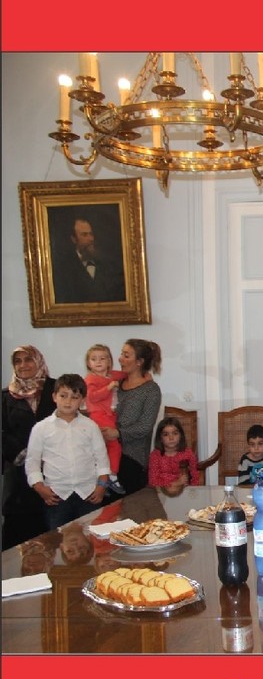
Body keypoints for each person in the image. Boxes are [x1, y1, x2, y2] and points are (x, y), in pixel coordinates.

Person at [24, 373, 110, 530]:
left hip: (88, 494)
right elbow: (32, 462)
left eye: (74, 397)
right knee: (58, 538)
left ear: (82, 401)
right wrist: (40, 488)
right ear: (54, 397)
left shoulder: (91, 426)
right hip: (56, 496)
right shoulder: (41, 428)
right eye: (63, 396)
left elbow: (102, 460)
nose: (68, 401)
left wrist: (101, 487)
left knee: (91, 537)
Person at [2, 346, 57, 550]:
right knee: (17, 539)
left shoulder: (56, 389)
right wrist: (27, 454)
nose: (23, 365)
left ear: (38, 361)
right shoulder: (6, 396)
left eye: (28, 359)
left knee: (52, 538)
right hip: (19, 476)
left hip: (54, 470)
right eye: (18, 361)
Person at [103, 339, 162, 496]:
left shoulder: (151, 390)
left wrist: (118, 433)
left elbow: (145, 426)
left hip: (132, 458)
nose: (120, 359)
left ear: (139, 362)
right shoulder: (115, 384)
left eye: (126, 355)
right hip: (106, 455)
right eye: (122, 354)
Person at [83, 343, 126, 495]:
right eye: (94, 359)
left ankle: (104, 478)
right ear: (88, 363)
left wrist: (144, 375)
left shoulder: (110, 375)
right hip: (99, 416)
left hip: (110, 415)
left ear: (109, 361)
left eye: (103, 358)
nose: (98, 362)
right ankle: (111, 475)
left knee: (107, 446)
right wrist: (109, 387)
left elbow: (124, 374)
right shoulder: (90, 379)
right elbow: (92, 397)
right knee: (113, 445)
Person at [52, 217, 126, 304]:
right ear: (74, 239)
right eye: (84, 235)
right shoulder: (63, 268)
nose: (91, 239)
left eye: (91, 234)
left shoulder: (108, 265)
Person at [147, 417, 200, 496]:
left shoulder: (188, 453)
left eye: (175, 433)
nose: (171, 438)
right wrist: (176, 482)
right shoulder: (155, 455)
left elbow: (195, 475)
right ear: (160, 438)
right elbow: (152, 481)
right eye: (166, 434)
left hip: (184, 493)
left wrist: (193, 492)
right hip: (161, 493)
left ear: (181, 435)